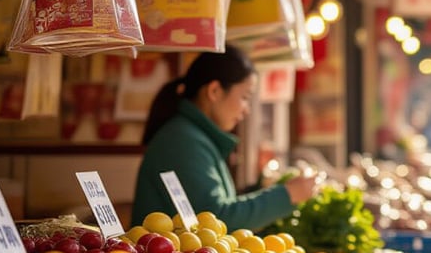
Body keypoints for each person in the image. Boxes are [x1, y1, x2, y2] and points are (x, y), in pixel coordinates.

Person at [132, 46, 318, 231]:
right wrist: (287, 195)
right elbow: (216, 219)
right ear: (214, 91)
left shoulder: (193, 136)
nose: (247, 110)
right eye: (245, 97)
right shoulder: (181, 141)